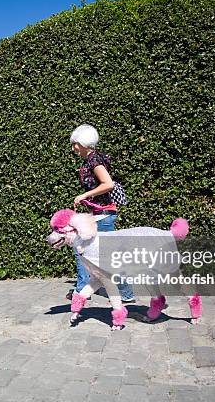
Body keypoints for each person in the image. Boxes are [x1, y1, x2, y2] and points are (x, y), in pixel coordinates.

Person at [66, 123, 135, 303]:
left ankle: (85, 292)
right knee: (87, 252)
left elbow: (108, 184)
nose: (73, 147)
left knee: (101, 257)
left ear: (82, 142)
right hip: (99, 214)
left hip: (104, 215)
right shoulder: (91, 159)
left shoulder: (95, 160)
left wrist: (84, 195)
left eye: (75, 143)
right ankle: (84, 290)